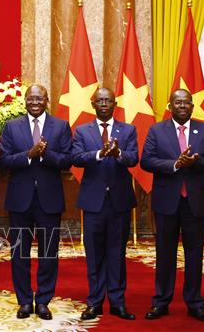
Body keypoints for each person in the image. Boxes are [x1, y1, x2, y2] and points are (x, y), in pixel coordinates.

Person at [141, 88, 204, 323]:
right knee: (164, 254)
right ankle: (161, 302)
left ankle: (195, 303)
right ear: (170, 106)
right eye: (177, 103)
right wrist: (175, 164)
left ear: (192, 106)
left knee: (194, 254)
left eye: (186, 103)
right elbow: (146, 161)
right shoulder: (157, 130)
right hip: (167, 202)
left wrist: (196, 162)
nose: (182, 106)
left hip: (196, 203)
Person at [0, 84, 72, 320]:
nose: (35, 102)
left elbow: (67, 161)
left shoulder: (60, 126)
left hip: (49, 200)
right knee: (19, 254)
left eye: (39, 98)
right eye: (31, 98)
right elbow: (3, 161)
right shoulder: (12, 126)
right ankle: (24, 301)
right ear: (25, 100)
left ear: (47, 100)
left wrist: (45, 154)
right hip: (20, 200)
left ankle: (42, 301)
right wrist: (29, 155)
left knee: (48, 254)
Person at [71, 87, 138, 321]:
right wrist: (99, 154)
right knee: (94, 254)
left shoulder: (128, 130)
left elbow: (134, 158)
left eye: (108, 101)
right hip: (93, 202)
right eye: (99, 101)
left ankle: (118, 303)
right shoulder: (82, 131)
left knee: (117, 253)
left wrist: (118, 153)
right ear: (93, 104)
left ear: (114, 104)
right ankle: (95, 303)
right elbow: (76, 158)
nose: (104, 104)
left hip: (119, 202)